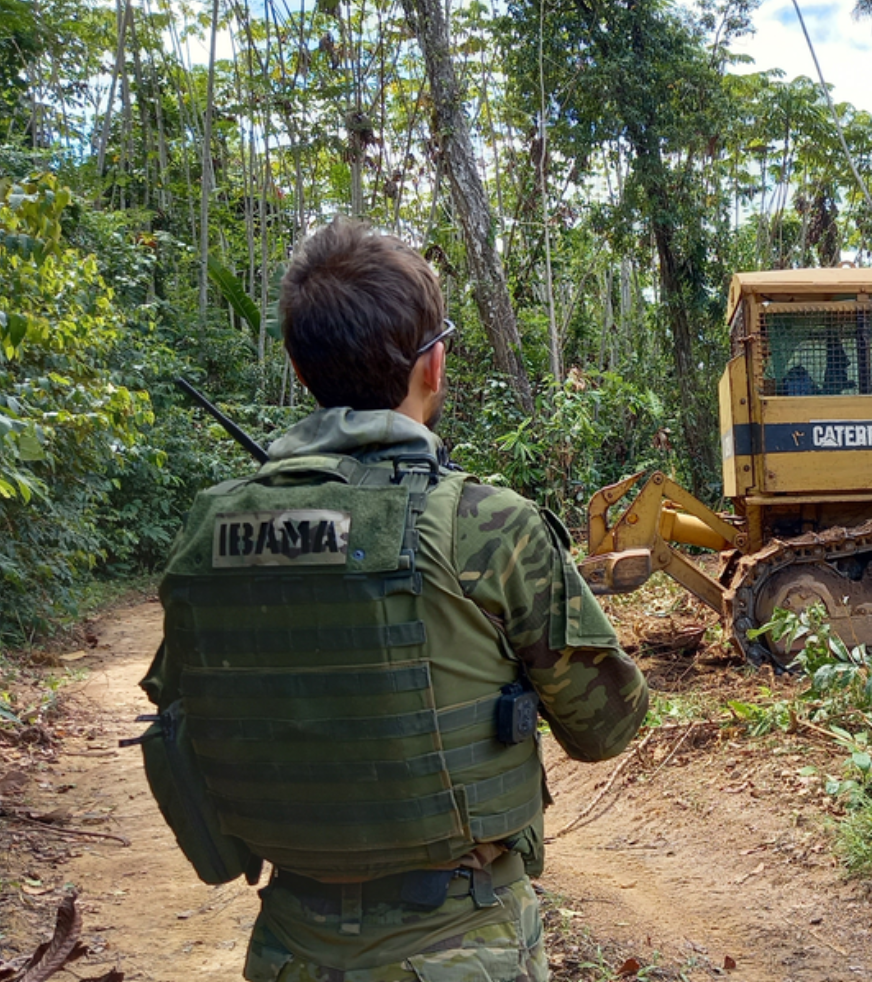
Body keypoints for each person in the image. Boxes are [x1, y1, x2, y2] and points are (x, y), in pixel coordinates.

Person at [140, 218, 649, 982]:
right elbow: (608, 724)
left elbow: (186, 720)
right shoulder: (486, 524)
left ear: (297, 367)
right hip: (463, 941)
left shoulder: (208, 529)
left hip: (290, 948)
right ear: (434, 364)